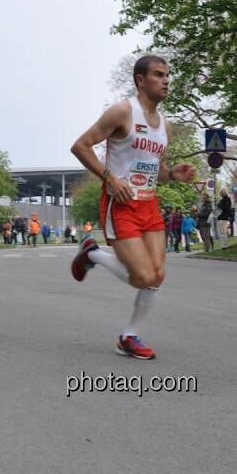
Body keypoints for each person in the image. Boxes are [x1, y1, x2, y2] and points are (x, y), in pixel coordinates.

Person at [69, 54, 196, 359]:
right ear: (141, 80)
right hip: (122, 205)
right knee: (142, 277)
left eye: (167, 75)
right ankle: (93, 254)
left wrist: (172, 176)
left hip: (149, 205)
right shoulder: (123, 112)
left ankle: (129, 336)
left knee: (157, 276)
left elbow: (157, 168)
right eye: (158, 74)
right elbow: (81, 146)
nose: (166, 80)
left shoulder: (165, 125)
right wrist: (109, 177)